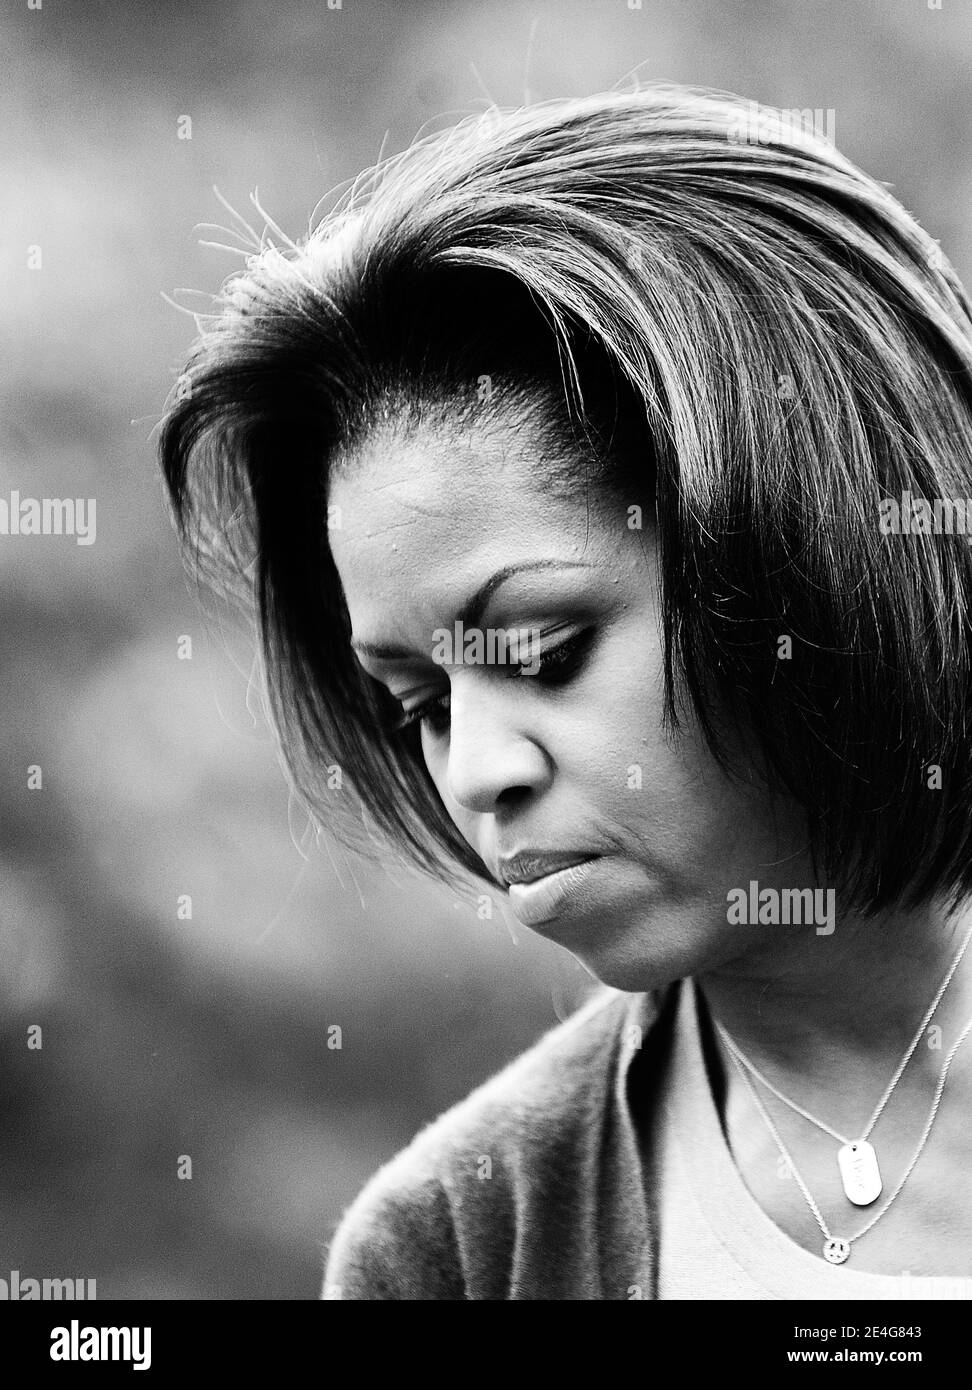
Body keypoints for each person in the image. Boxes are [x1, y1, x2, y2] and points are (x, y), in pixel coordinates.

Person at [158, 83, 972, 1299]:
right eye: (417, 705)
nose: (479, 772)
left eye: (541, 650)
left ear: (818, 555)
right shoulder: (459, 1249)